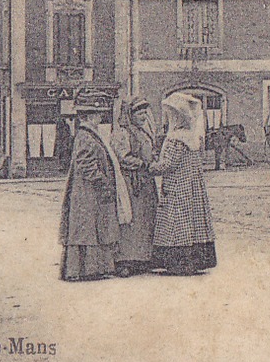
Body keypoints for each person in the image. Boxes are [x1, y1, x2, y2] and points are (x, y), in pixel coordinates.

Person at [59, 97, 132, 282]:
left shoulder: (89, 134)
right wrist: (101, 181)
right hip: (86, 191)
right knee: (87, 228)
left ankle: (93, 268)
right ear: (89, 117)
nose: (100, 118)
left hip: (90, 191)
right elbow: (85, 163)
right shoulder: (85, 135)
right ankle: (85, 269)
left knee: (94, 227)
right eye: (97, 114)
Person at [149, 92, 216, 275]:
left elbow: (168, 164)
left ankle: (178, 263)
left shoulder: (175, 139)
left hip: (178, 186)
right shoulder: (192, 137)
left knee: (176, 223)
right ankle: (195, 262)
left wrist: (149, 167)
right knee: (193, 222)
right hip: (192, 187)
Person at [111, 97, 159, 277]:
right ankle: (125, 261)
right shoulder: (122, 133)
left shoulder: (143, 132)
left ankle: (143, 259)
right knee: (130, 220)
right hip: (131, 183)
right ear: (130, 114)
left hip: (145, 181)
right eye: (139, 112)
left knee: (146, 219)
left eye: (145, 112)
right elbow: (122, 157)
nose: (143, 116)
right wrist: (142, 164)